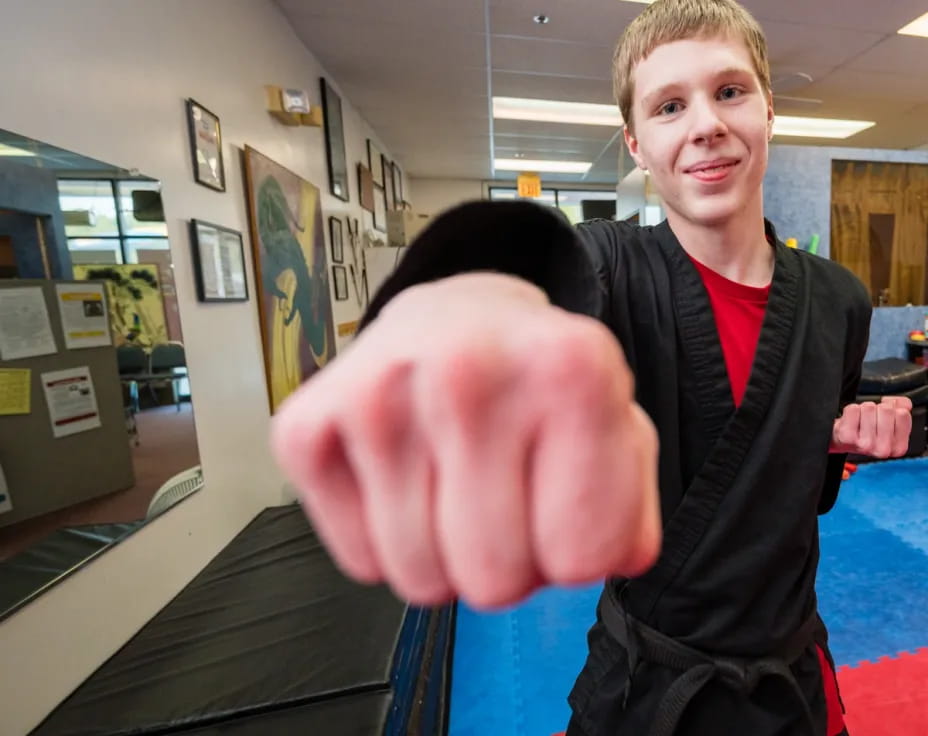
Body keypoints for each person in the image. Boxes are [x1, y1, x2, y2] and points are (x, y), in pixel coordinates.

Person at [270, 1, 913, 734]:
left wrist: (842, 437)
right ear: (637, 144)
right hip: (649, 691)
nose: (705, 122)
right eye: (670, 105)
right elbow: (531, 279)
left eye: (729, 91)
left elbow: (801, 493)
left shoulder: (840, 301)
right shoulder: (611, 264)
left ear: (770, 110)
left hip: (791, 682)